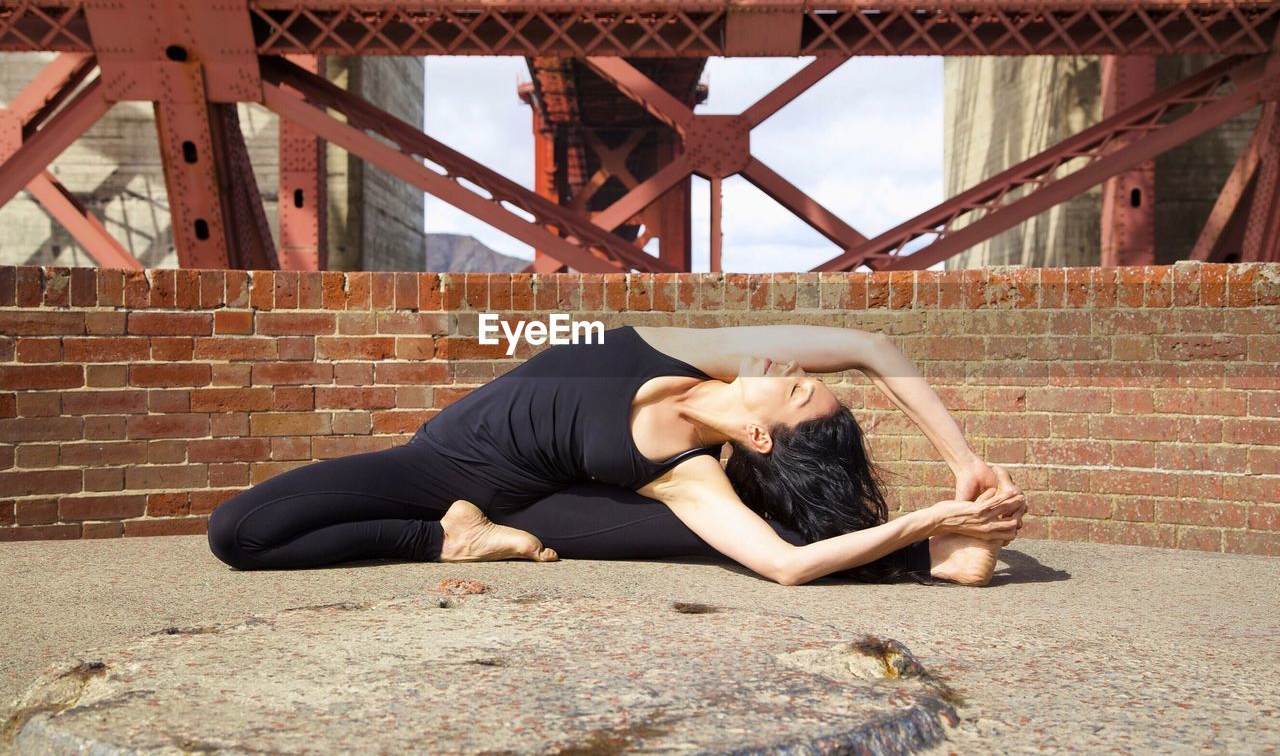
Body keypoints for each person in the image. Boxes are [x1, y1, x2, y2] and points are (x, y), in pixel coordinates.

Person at [208, 324, 1027, 586]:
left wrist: (925, 514)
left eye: (803, 392)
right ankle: (448, 528)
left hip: (520, 506)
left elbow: (783, 566)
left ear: (761, 435)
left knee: (729, 542)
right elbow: (871, 343)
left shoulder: (688, 472)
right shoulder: (701, 350)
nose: (801, 371)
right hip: (434, 461)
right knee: (239, 531)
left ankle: (935, 551)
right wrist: (964, 460)